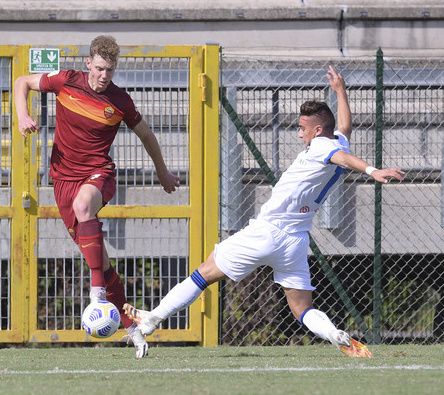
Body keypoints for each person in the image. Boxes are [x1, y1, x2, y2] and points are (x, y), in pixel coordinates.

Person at [124, 66, 405, 357]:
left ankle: (152, 319)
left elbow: (343, 157)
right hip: (295, 240)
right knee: (301, 308)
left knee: (204, 272)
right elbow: (344, 130)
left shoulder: (322, 145)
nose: (299, 134)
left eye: (302, 128)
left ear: (318, 131)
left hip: (267, 231)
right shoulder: (333, 139)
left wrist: (372, 170)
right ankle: (334, 333)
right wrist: (340, 92)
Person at [14, 35, 180, 358]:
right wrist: (23, 115)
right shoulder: (66, 81)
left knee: (84, 205)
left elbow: (146, 134)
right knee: (100, 262)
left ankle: (96, 295)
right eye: (100, 68)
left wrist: (162, 171)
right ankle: (134, 329)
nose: (105, 76)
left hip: (98, 175)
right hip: (62, 179)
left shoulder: (120, 101)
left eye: (111, 70)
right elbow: (22, 81)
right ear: (89, 63)